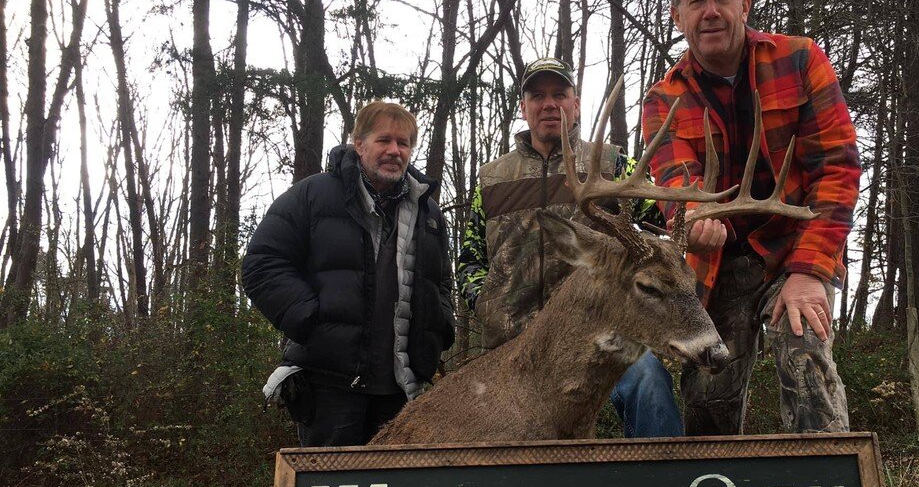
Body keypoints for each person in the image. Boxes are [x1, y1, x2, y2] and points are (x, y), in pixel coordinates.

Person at [642, 0, 858, 434]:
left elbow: (837, 169)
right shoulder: (663, 99)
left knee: (805, 354)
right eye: (696, 1)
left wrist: (809, 272)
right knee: (707, 402)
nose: (711, 11)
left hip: (792, 249)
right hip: (718, 266)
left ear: (746, 3)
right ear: (679, 16)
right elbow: (675, 181)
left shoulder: (801, 61)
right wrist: (692, 220)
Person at [457, 57, 691, 438]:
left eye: (559, 94)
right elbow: (469, 260)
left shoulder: (612, 164)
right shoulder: (492, 178)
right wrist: (487, 303)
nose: (549, 104)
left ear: (575, 103)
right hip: (515, 346)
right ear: (524, 107)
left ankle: (664, 485)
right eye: (538, 96)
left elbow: (668, 217)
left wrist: (698, 222)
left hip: (600, 335)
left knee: (649, 385)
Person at [242, 101, 455, 446]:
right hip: (330, 388)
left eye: (403, 143)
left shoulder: (427, 212)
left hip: (402, 390)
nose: (394, 151)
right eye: (383, 140)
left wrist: (439, 329)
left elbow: (442, 281)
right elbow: (261, 264)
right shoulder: (313, 195)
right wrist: (312, 320)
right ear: (359, 144)